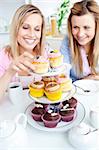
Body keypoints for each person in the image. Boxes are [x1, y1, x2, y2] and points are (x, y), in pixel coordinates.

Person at [0, 4, 49, 100]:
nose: (31, 34)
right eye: (25, 27)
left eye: (37, 29)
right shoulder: (3, 56)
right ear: (16, 29)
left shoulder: (45, 54)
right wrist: (10, 72)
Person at [60, 0, 99, 82]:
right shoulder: (67, 42)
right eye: (75, 27)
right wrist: (88, 79)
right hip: (76, 92)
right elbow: (64, 78)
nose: (80, 34)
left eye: (86, 27)